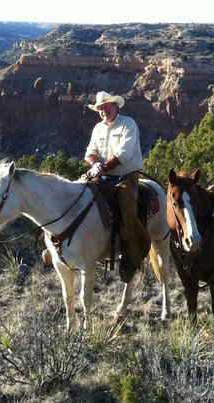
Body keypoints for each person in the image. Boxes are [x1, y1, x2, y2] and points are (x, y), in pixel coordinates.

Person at [84, 91, 151, 283]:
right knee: (80, 194)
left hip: (126, 177)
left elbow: (124, 153)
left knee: (127, 209)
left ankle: (130, 254)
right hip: (102, 176)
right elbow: (90, 151)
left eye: (108, 106)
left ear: (116, 107)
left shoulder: (128, 124)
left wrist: (102, 167)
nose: (104, 111)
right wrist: (95, 164)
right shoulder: (98, 128)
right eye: (101, 108)